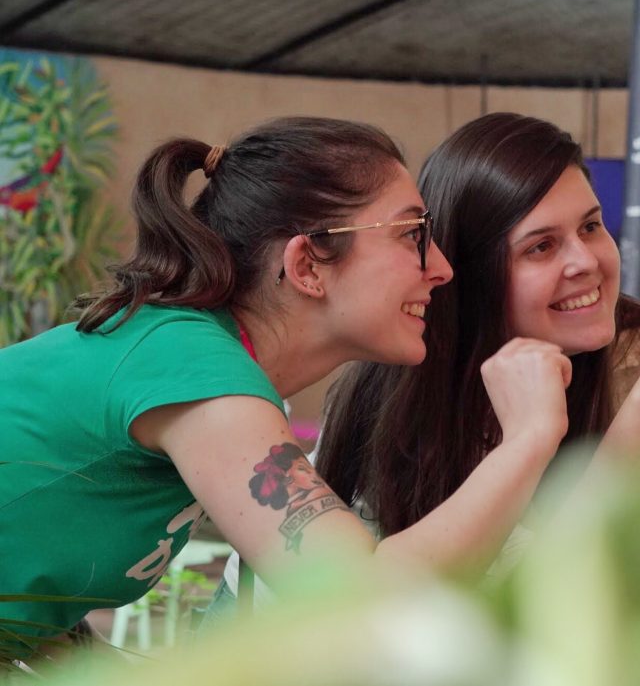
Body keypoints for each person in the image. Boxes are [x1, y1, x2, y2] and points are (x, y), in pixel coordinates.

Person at [0, 117, 573, 663]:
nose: (442, 267)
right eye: (411, 235)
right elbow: (358, 602)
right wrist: (529, 437)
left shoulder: (200, 366)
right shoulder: (195, 370)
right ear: (307, 266)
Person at [319, 112, 640, 542]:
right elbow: (539, 584)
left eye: (590, 226)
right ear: (471, 275)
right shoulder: (400, 406)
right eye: (541, 246)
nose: (586, 262)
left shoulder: (633, 355)